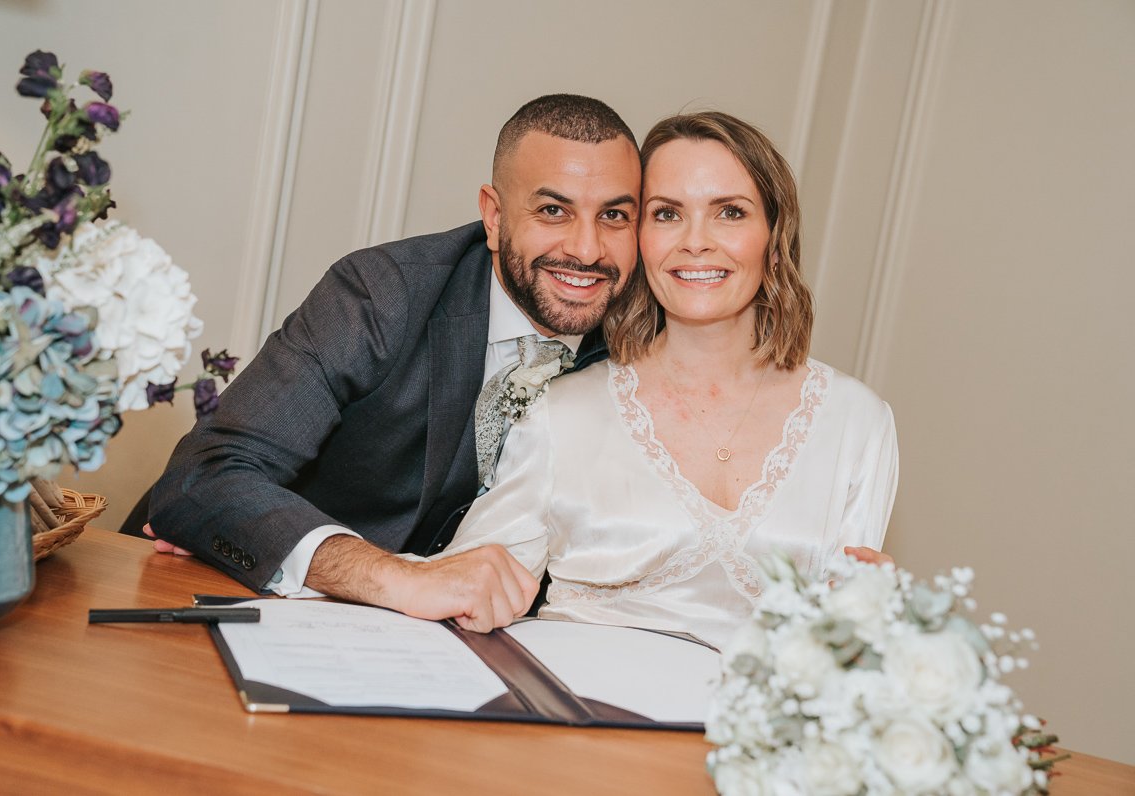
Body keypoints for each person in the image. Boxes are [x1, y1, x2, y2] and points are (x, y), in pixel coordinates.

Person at [389, 111, 899, 649]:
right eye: (667, 214)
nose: (696, 242)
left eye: (729, 212)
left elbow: (844, 645)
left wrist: (873, 623)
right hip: (577, 717)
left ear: (774, 237)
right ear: (636, 238)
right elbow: (459, 591)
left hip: (758, 731)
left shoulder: (857, 422)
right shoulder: (561, 414)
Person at [147, 95, 642, 632]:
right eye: (553, 210)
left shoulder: (644, 338)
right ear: (494, 217)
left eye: (614, 215)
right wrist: (396, 579)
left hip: (489, 651)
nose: (589, 250)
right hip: (262, 617)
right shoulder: (383, 294)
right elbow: (204, 475)